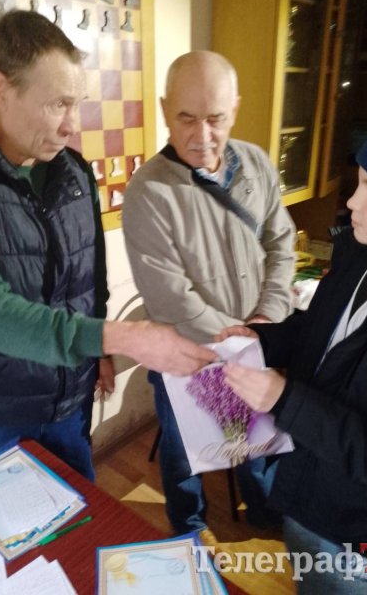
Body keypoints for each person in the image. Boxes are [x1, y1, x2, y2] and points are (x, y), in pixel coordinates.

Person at [0, 11, 215, 479]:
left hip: (72, 403)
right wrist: (121, 337)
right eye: (59, 104)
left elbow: (91, 275)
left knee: (84, 515)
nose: (72, 125)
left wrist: (98, 353)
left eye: (77, 104)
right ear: (0, 89)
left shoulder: (75, 173)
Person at [220, 116, 367, 593]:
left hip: (358, 530)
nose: (352, 201)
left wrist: (283, 399)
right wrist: (261, 340)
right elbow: (315, 329)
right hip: (306, 482)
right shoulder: (361, 253)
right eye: (359, 183)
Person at [122, 51, 295, 537]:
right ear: (163, 109)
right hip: (188, 353)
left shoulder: (257, 163)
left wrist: (267, 317)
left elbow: (281, 242)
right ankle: (188, 528)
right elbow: (171, 295)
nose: (202, 135)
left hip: (256, 339)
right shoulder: (148, 191)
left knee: (254, 436)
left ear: (235, 108)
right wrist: (241, 339)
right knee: (184, 452)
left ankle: (263, 510)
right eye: (186, 118)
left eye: (216, 118)